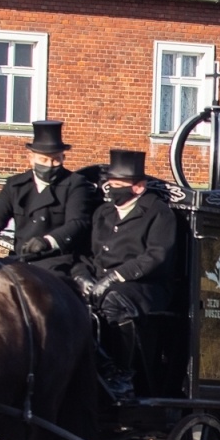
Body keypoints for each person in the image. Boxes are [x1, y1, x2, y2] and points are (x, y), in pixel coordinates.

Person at [74, 149, 179, 398]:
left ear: (138, 187)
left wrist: (114, 277)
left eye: (119, 185)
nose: (111, 189)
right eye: (110, 184)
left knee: (113, 301)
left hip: (145, 287)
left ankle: (120, 373)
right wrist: (82, 276)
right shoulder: (103, 213)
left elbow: (156, 256)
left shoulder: (158, 213)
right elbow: (87, 253)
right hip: (101, 282)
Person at [0, 119, 100, 272]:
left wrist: (48, 242)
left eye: (55, 160)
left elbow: (77, 223)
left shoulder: (75, 184)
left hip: (57, 260)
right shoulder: (15, 185)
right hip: (20, 259)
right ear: (31, 158)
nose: (49, 165)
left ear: (63, 158)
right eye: (43, 159)